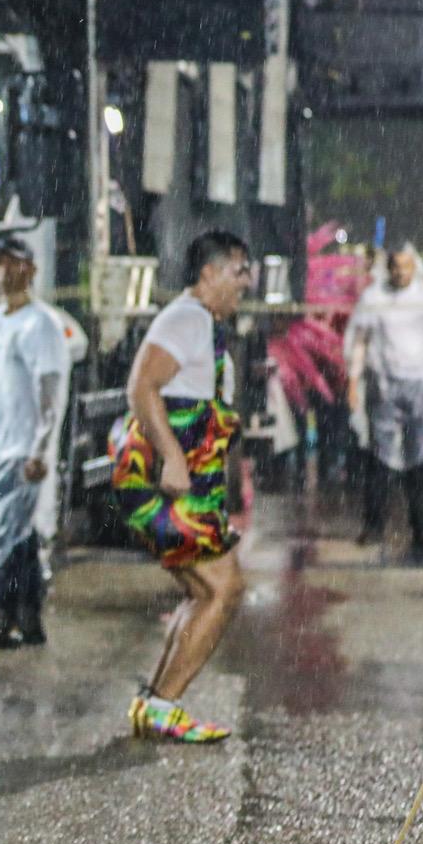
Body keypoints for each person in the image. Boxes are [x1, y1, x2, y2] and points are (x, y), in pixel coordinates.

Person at [110, 230, 255, 743]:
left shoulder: (203, 322)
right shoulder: (187, 318)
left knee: (204, 590)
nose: (246, 280)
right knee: (225, 587)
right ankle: (163, 704)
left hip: (184, 488)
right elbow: (141, 385)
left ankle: (155, 702)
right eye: (238, 269)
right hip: (163, 484)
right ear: (209, 272)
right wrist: (173, 458)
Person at [0, 230, 70, 651]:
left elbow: (50, 392)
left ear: (28, 269)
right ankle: (29, 616)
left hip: (23, 450)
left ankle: (1, 616)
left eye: (7, 262)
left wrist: (42, 448)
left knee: (8, 533)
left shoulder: (41, 324)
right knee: (5, 535)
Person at [345, 244, 423, 562]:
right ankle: (373, 525)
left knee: (419, 459)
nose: (400, 273)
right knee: (379, 459)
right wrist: (353, 381)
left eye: (406, 267)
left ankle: (422, 529)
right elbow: (359, 342)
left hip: (420, 387)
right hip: (383, 387)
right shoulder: (373, 299)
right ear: (388, 268)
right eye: (395, 267)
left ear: (415, 267)